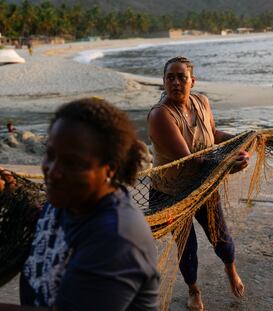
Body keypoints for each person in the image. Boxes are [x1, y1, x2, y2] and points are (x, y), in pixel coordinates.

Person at [0, 97, 159, 310]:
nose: (53, 171)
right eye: (50, 155)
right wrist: (12, 190)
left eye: (72, 163)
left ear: (110, 168)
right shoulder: (62, 201)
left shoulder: (117, 237)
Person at [147, 56, 248, 311]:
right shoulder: (160, 115)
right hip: (170, 193)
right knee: (187, 246)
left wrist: (240, 140)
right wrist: (228, 164)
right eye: (170, 77)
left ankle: (230, 268)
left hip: (203, 185)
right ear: (164, 82)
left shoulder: (201, 102)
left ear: (193, 81)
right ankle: (193, 290)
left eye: (182, 77)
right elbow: (189, 159)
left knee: (220, 237)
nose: (176, 82)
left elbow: (213, 136)